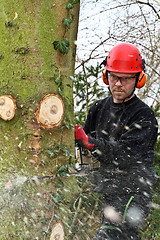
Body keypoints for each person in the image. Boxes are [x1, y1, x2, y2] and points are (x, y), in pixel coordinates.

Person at [75, 42, 158, 240]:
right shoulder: (97, 108)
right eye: (114, 77)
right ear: (106, 76)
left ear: (138, 79)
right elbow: (85, 144)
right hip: (107, 189)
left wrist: (91, 143)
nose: (118, 83)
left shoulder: (144, 116)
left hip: (134, 192)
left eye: (126, 79)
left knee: (110, 235)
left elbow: (124, 154)